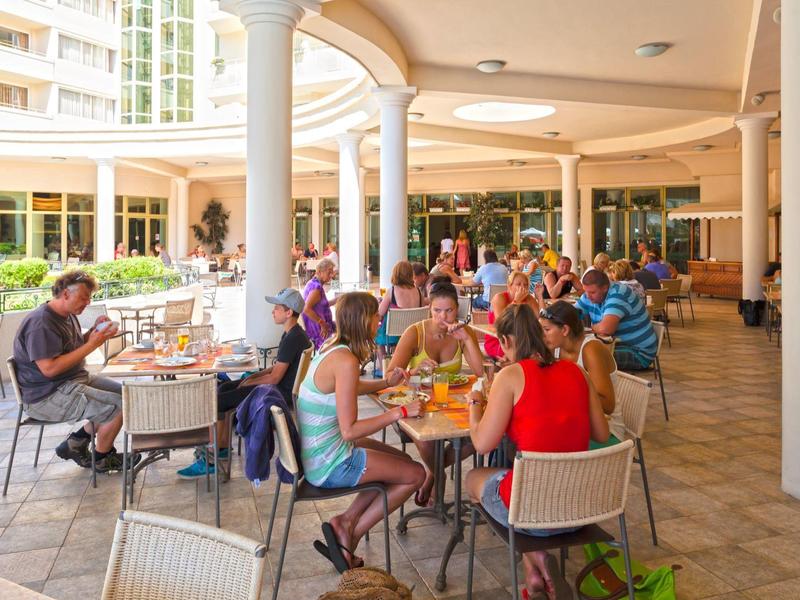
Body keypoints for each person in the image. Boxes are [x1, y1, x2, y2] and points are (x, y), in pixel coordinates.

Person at [465, 304, 609, 600]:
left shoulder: (511, 376)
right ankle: (534, 572)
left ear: (506, 341)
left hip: (533, 512)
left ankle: (537, 558)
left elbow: (481, 444)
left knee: (473, 479)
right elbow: (602, 434)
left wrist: (475, 404)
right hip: (580, 508)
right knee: (513, 475)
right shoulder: (576, 372)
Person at [297, 292, 426, 571]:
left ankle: (345, 523)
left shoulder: (333, 347)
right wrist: (399, 412)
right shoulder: (345, 361)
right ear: (362, 320)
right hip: (330, 462)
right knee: (416, 474)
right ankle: (349, 536)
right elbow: (349, 431)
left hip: (317, 454)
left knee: (401, 464)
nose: (380, 319)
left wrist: (383, 383)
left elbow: (349, 387)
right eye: (376, 315)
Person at [12, 271, 140, 472]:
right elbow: (50, 369)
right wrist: (93, 344)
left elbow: (74, 347)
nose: (87, 302)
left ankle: (76, 442)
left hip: (72, 381)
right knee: (118, 407)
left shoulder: (67, 315)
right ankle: (102, 458)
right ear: (65, 294)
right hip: (46, 396)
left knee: (128, 395)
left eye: (89, 297)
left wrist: (94, 332)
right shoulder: (41, 323)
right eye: (83, 297)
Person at [176, 289, 311, 478]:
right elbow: (274, 369)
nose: (273, 311)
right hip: (275, 388)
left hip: (275, 393)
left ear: (289, 313)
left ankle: (211, 458)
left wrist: (249, 383)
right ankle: (221, 447)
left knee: (217, 400)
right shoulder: (292, 334)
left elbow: (275, 378)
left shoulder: (293, 338)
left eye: (277, 308)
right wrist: (250, 378)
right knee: (223, 388)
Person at [388, 281, 484, 506]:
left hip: (452, 404)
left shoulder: (462, 331)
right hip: (416, 405)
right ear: (429, 308)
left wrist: (467, 339)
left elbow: (480, 373)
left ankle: (433, 473)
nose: (443, 317)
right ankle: (438, 474)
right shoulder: (415, 333)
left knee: (477, 438)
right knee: (428, 442)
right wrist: (413, 371)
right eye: (437, 311)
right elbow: (391, 375)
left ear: (457, 310)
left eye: (449, 311)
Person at [539, 300, 623, 446]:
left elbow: (608, 405)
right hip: (576, 423)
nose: (542, 336)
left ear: (565, 330)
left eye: (546, 330)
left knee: (545, 443)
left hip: (606, 432)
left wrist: (566, 394)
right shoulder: (557, 347)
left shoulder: (591, 350)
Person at [576, 270, 658, 371]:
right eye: (586, 292)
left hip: (638, 352)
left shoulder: (619, 293)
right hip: (618, 344)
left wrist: (590, 328)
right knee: (577, 350)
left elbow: (606, 329)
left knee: (590, 356)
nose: (588, 296)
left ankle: (599, 387)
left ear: (605, 288)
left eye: (592, 292)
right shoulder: (590, 295)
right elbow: (571, 314)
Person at [374, 261, 425, 377]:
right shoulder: (417, 290)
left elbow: (380, 313)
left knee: (377, 335)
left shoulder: (392, 291)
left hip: (394, 335)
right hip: (414, 334)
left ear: (395, 274)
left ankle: (384, 370)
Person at [484, 271, 538, 361]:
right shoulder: (499, 298)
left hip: (522, 339)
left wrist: (539, 297)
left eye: (525, 285)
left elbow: (539, 319)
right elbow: (501, 323)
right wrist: (516, 301)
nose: (522, 287)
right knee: (524, 354)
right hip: (499, 340)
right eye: (518, 284)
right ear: (509, 286)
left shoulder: (529, 299)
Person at [302, 258, 339, 350]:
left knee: (344, 326)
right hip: (317, 329)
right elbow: (306, 309)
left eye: (332, 272)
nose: (331, 275)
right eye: (329, 272)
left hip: (320, 324)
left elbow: (319, 305)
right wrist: (322, 323)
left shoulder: (313, 283)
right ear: (319, 271)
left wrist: (335, 300)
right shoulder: (316, 288)